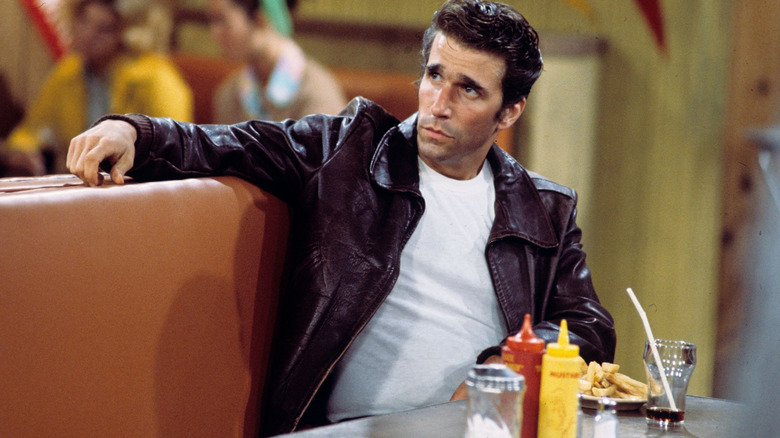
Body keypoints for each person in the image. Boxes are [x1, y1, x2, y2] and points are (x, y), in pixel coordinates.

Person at [67, 1, 616, 435]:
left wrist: (504, 367)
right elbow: (233, 144)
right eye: (434, 75)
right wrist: (134, 131)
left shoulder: (544, 208)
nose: (438, 103)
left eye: (468, 89)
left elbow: (589, 325)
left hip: (473, 428)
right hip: (347, 429)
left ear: (510, 111)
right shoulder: (349, 149)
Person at [1, 0, 193, 175]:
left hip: (134, 185)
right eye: (84, 21)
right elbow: (32, 130)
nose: (87, 34)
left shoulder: (157, 78)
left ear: (127, 35)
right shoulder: (68, 71)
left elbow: (176, 149)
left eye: (104, 29)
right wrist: (22, 150)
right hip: (82, 182)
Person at [208, 0, 347, 123]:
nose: (214, 33)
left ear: (260, 18)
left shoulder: (316, 93)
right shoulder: (228, 95)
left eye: (222, 20)